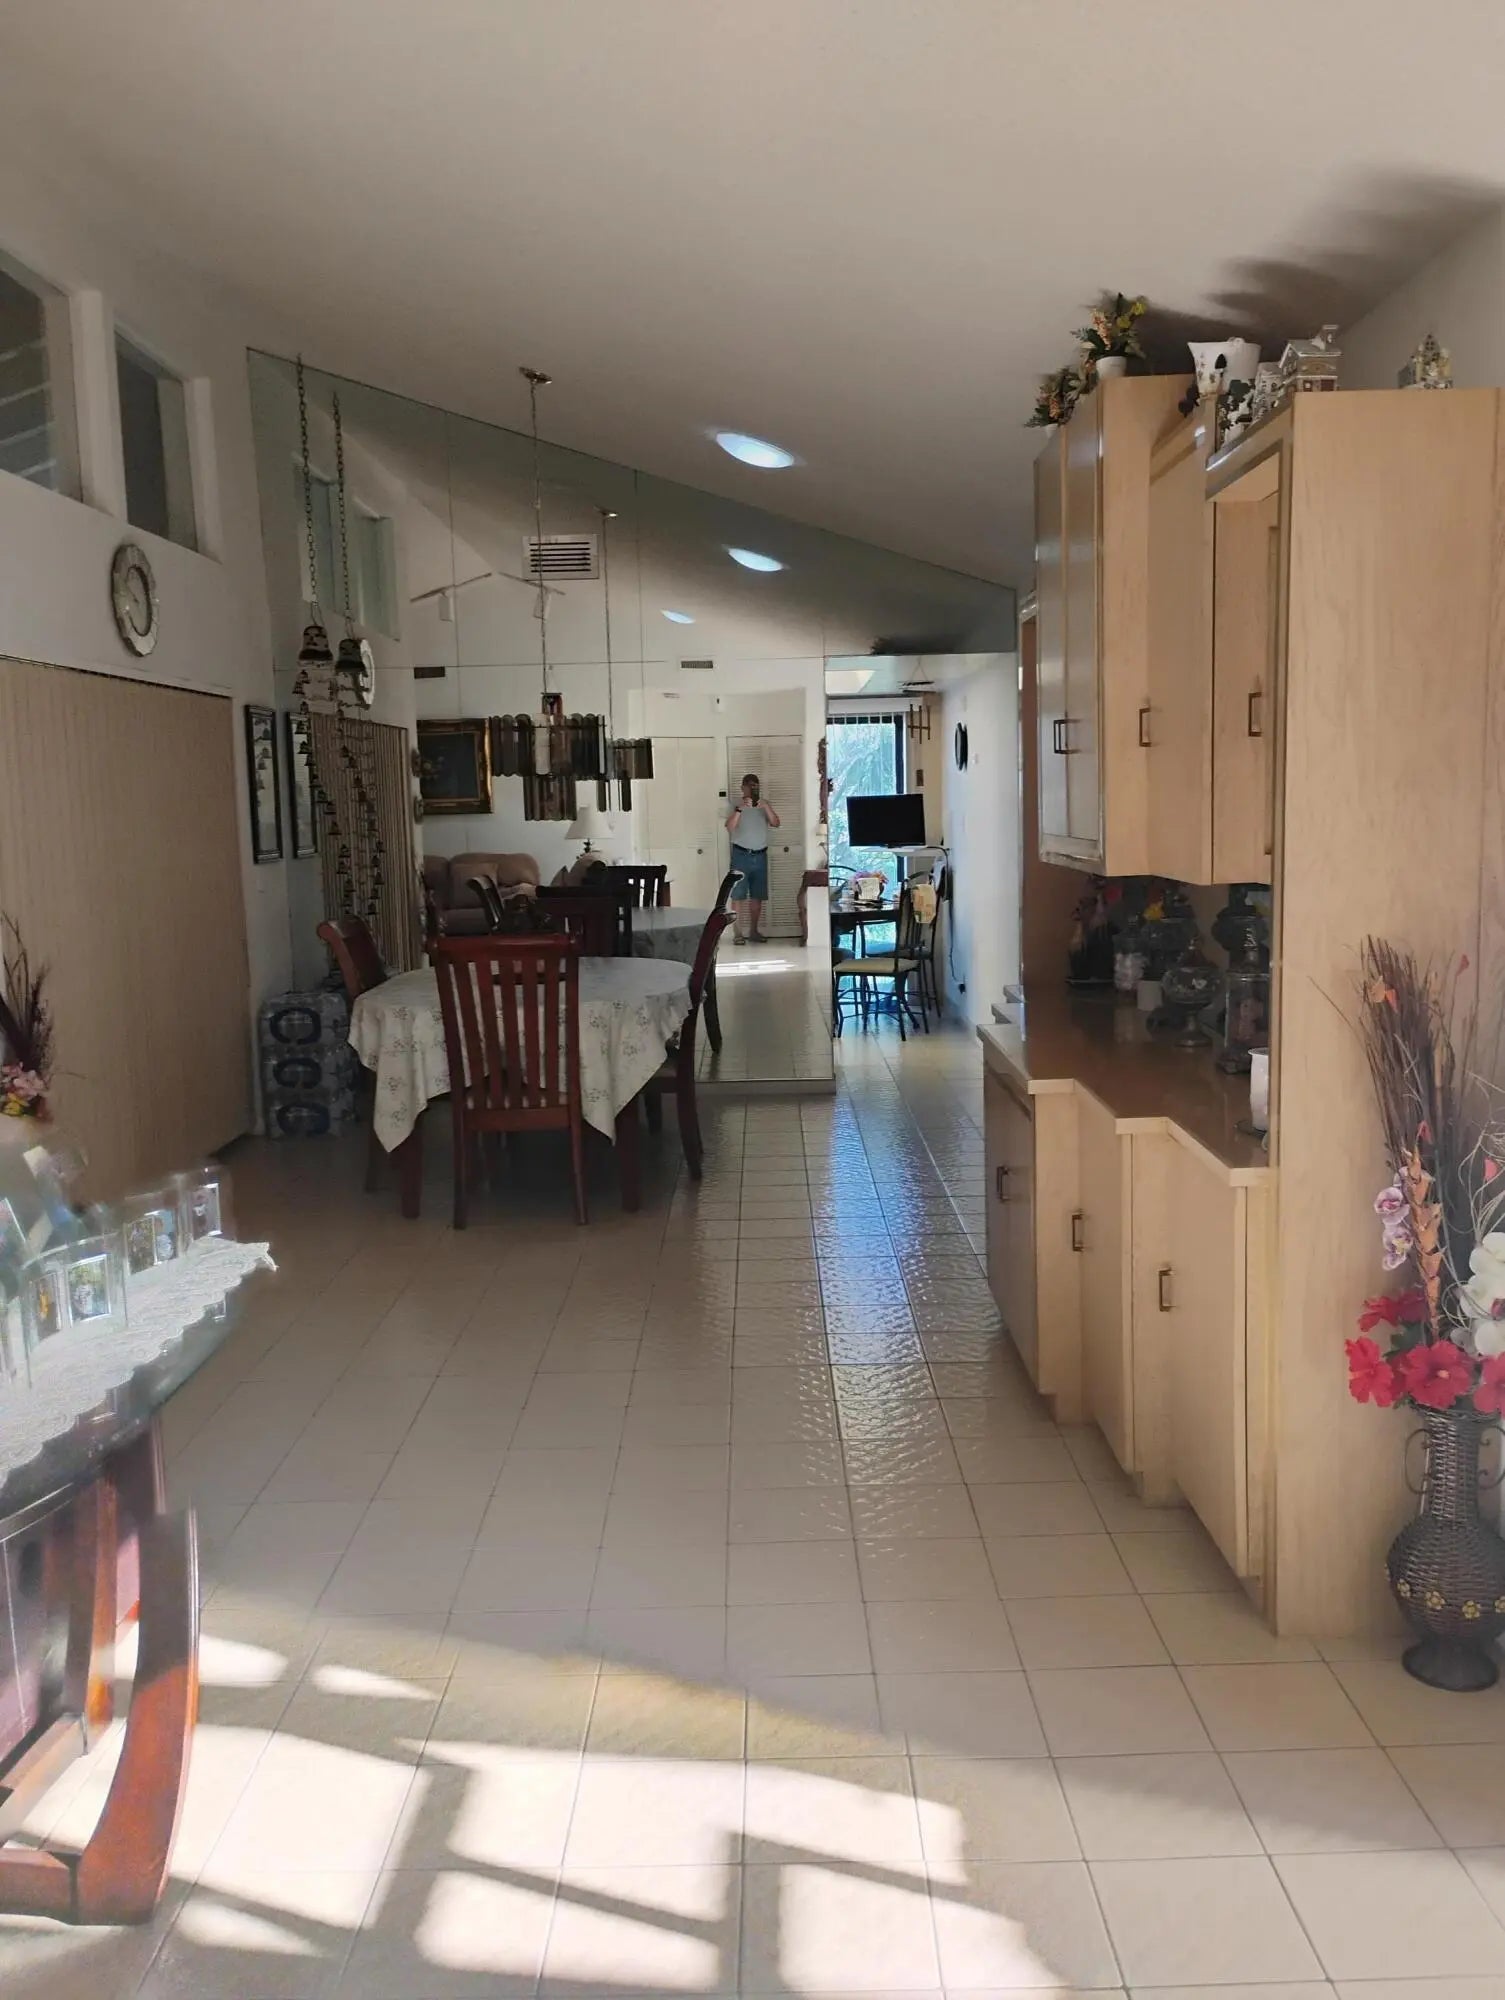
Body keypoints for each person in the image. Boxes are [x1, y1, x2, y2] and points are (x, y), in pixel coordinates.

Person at [724, 773, 780, 944]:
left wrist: (766, 807)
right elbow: (729, 827)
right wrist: (740, 809)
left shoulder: (765, 804)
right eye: (749, 785)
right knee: (737, 895)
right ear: (742, 787)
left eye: (755, 785)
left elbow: (776, 823)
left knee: (757, 896)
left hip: (760, 855)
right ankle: (738, 933)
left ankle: (754, 931)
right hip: (740, 855)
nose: (752, 787)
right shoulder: (735, 805)